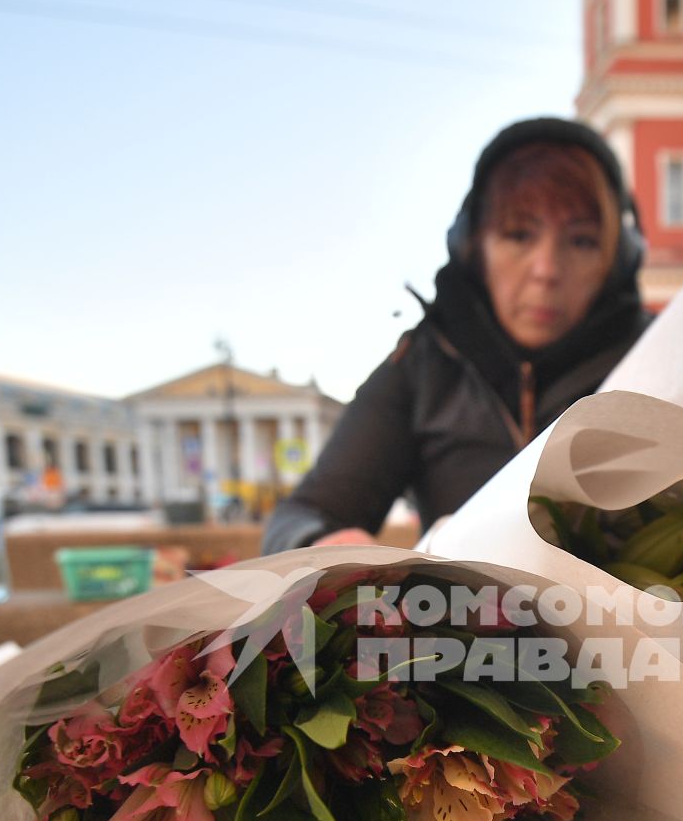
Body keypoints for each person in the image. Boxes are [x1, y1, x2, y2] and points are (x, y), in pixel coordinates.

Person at [264, 117, 650, 553]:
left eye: (581, 241)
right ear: (474, 245)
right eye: (519, 234)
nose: (547, 270)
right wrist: (317, 542)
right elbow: (304, 513)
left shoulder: (662, 354)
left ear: (620, 259)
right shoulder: (421, 366)